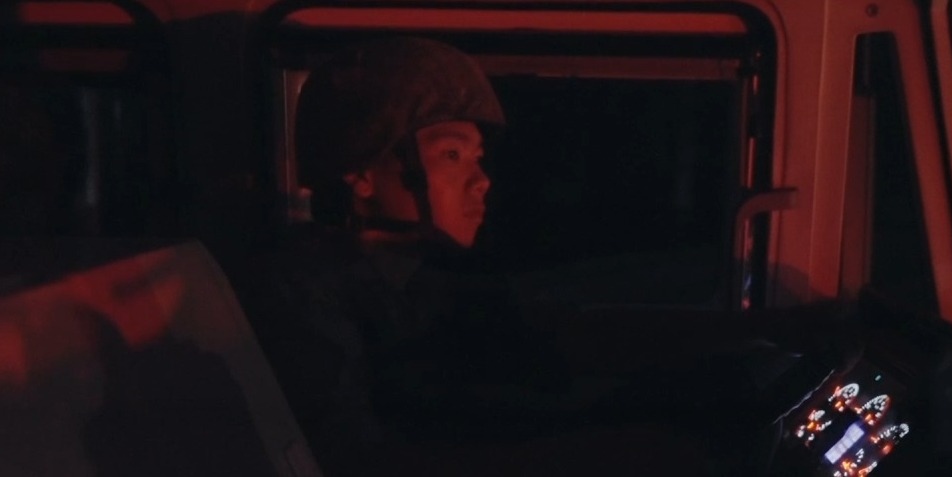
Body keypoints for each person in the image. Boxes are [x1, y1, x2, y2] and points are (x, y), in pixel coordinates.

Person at [237, 36, 858, 476]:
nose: (480, 181)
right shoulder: (302, 292)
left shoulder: (427, 275)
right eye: (452, 156)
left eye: (478, 158)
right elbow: (356, 465)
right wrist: (595, 458)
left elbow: (568, 335)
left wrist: (762, 328)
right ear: (362, 174)